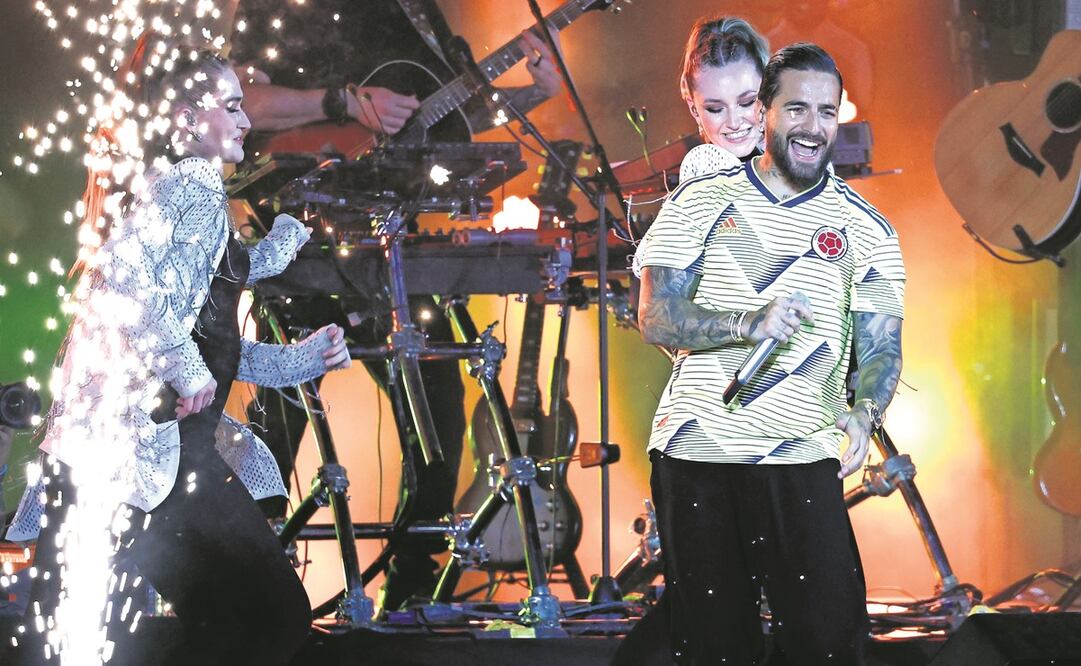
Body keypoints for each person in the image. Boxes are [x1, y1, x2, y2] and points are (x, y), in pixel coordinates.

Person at [4, 42, 351, 665]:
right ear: (187, 120)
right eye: (231, 106)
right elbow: (130, 280)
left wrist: (299, 360)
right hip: (133, 462)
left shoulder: (188, 197)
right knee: (261, 619)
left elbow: (209, 333)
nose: (246, 121)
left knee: (188, 627)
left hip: (134, 459)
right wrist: (187, 367)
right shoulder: (190, 188)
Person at [228, 0, 562, 612]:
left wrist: (529, 95)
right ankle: (248, 589)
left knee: (438, 417)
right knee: (281, 427)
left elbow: (435, 120)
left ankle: (407, 593)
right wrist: (344, 102)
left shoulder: (420, 13)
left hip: (391, 246)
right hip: (300, 245)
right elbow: (243, 102)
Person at [628, 43, 905, 665]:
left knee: (830, 642)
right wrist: (745, 321)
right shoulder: (699, 201)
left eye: (827, 112)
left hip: (801, 454)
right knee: (715, 648)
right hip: (698, 452)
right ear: (768, 114)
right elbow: (654, 316)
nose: (812, 126)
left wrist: (865, 411)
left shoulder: (870, 229)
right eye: (796, 108)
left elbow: (883, 345)